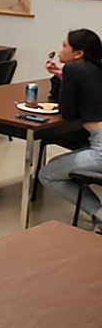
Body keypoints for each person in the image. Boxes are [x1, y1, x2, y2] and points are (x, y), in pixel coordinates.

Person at [38, 29, 102, 227]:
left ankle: (99, 212)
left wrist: (63, 76)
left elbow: (67, 112)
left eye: (65, 45)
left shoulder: (73, 70)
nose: (59, 50)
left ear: (78, 53)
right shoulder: (96, 69)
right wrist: (61, 76)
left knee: (47, 174)